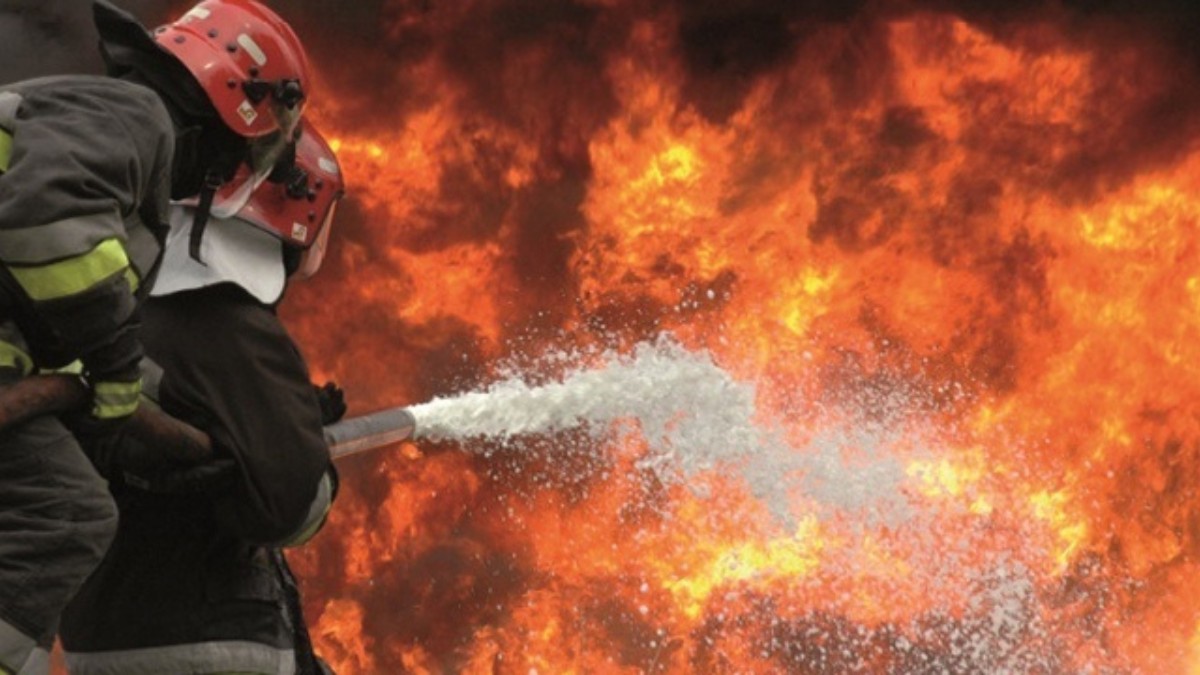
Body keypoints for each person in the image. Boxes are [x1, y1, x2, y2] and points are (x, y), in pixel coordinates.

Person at [0, 1, 313, 672]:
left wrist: (140, 389)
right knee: (66, 522)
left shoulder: (90, 114)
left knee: (52, 506)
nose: (230, 170)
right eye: (251, 149)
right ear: (236, 108)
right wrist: (114, 365)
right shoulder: (136, 120)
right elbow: (44, 232)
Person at [59, 118, 347, 675]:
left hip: (103, 634)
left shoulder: (120, 308)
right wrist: (304, 447)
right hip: (208, 639)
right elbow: (290, 507)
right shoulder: (228, 324)